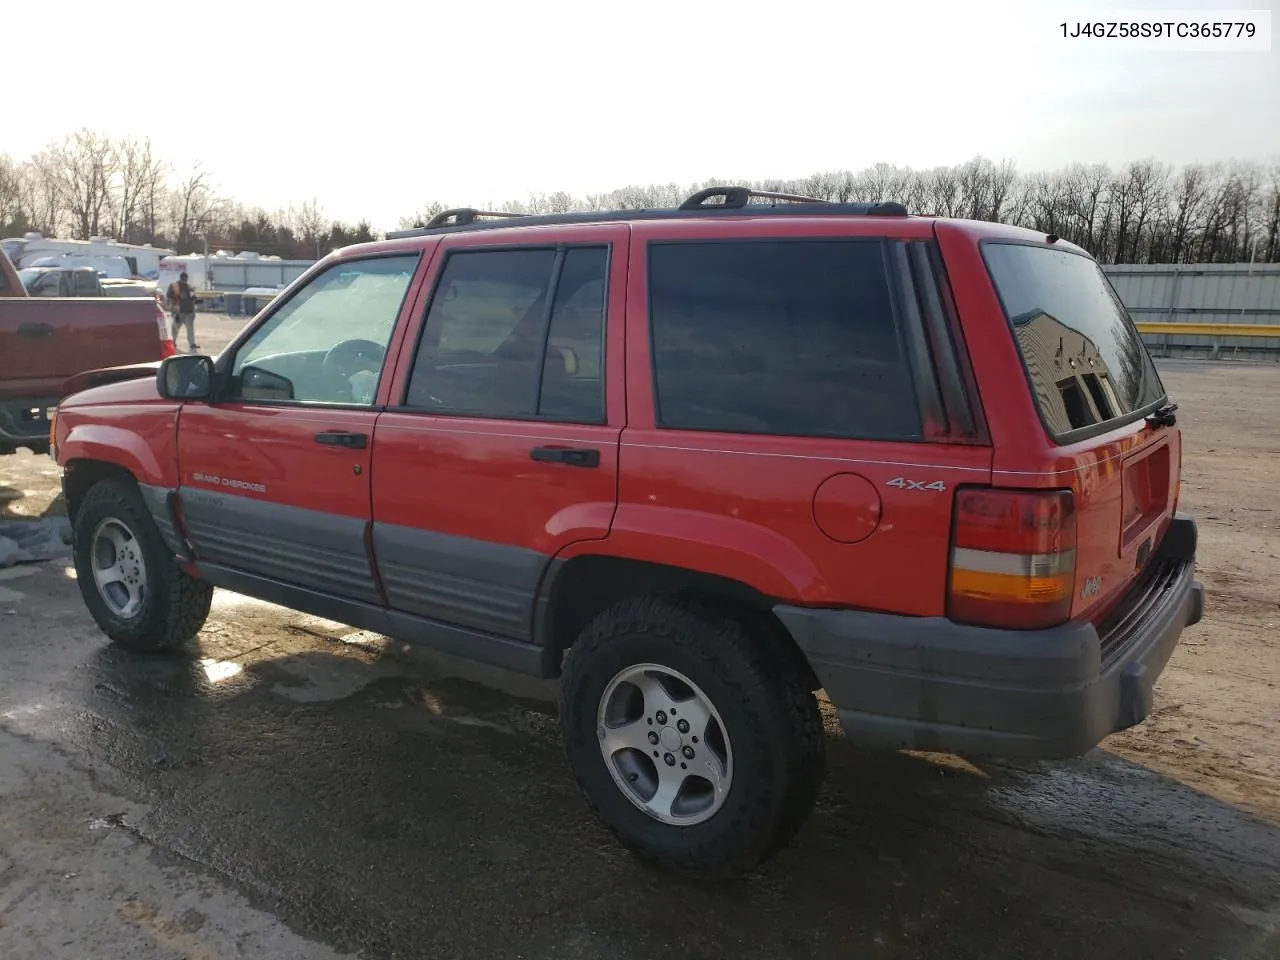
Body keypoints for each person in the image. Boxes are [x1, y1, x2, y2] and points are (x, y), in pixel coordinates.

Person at [166, 272, 199, 351]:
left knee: (190, 328)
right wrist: (178, 296)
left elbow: (193, 298)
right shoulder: (174, 286)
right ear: (181, 278)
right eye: (184, 278)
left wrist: (195, 299)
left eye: (186, 279)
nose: (185, 280)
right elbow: (168, 295)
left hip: (189, 311)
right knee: (175, 327)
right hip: (178, 311)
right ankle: (173, 341)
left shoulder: (189, 286)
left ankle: (192, 343)